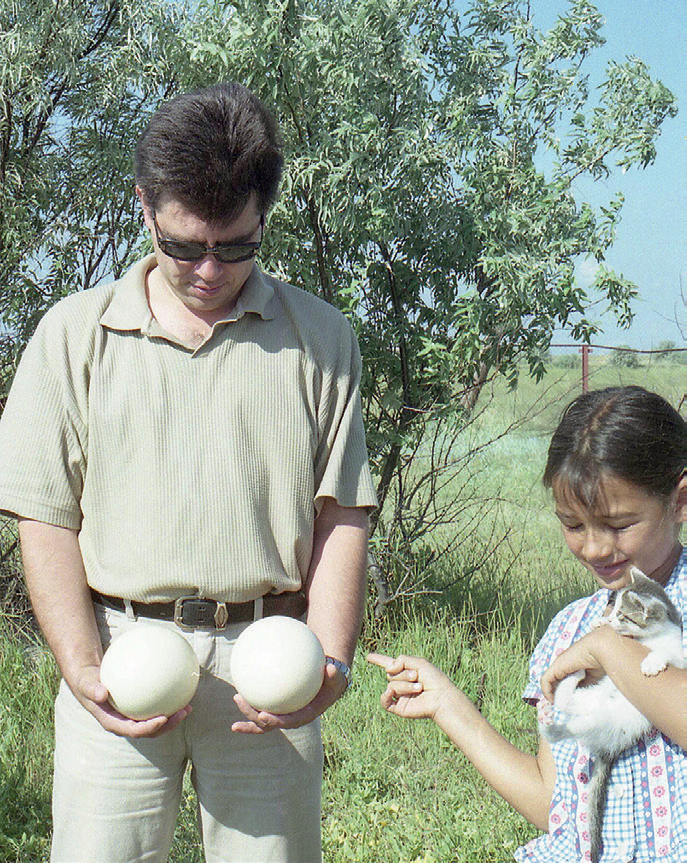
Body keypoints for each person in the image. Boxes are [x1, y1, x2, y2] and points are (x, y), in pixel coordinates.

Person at [0, 82, 377, 862]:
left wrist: (329, 655)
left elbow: (342, 512)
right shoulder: (73, 335)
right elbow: (45, 517)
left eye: (235, 246)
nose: (209, 269)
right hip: (118, 651)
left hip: (270, 661)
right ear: (144, 206)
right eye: (184, 245)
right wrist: (82, 669)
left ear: (263, 217)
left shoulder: (320, 337)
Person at [369, 386, 686, 862]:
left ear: (680, 501)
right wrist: (450, 706)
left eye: (619, 525)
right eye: (574, 525)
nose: (596, 548)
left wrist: (611, 650)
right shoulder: (568, 628)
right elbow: (557, 806)